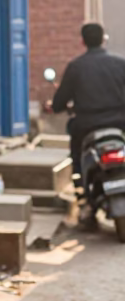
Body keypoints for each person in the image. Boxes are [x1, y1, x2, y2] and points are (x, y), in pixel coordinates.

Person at [50, 23, 125, 185]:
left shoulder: (76, 67)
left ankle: (79, 182)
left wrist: (59, 106)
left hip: (86, 125)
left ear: (82, 42)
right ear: (103, 40)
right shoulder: (120, 64)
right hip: (120, 123)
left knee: (76, 149)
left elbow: (59, 103)